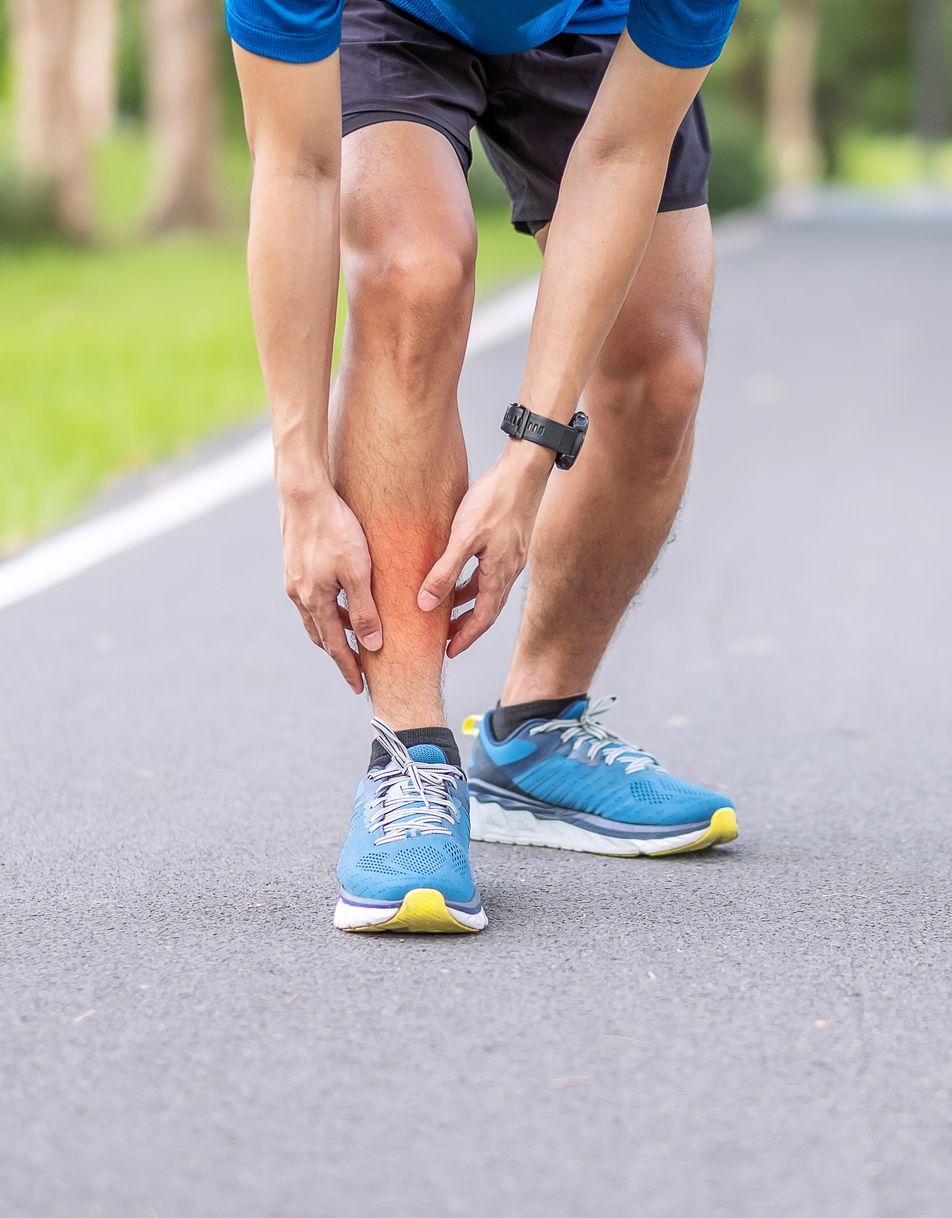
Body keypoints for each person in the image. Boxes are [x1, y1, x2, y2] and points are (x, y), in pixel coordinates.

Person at [229, 0, 741, 935]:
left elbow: (623, 152)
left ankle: (534, 733)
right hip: (388, 15)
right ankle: (411, 756)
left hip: (601, 24)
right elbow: (296, 166)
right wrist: (300, 481)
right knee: (412, 272)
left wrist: (531, 454)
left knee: (661, 371)